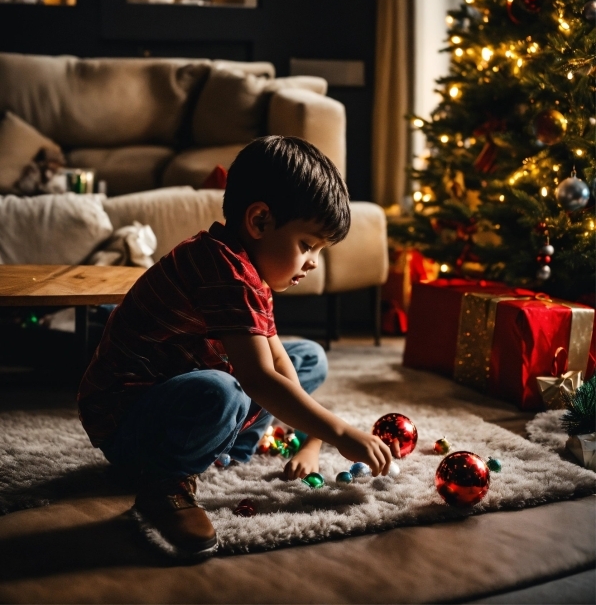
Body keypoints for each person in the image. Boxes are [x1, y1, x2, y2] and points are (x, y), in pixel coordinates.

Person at [77, 136, 392, 562]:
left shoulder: (246, 266)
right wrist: (341, 433)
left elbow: (278, 360)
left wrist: (312, 441)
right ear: (260, 221)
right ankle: (166, 480)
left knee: (307, 358)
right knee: (225, 390)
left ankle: (222, 448)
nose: (314, 261)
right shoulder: (221, 268)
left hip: (180, 389)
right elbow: (259, 376)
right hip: (128, 422)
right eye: (307, 245)